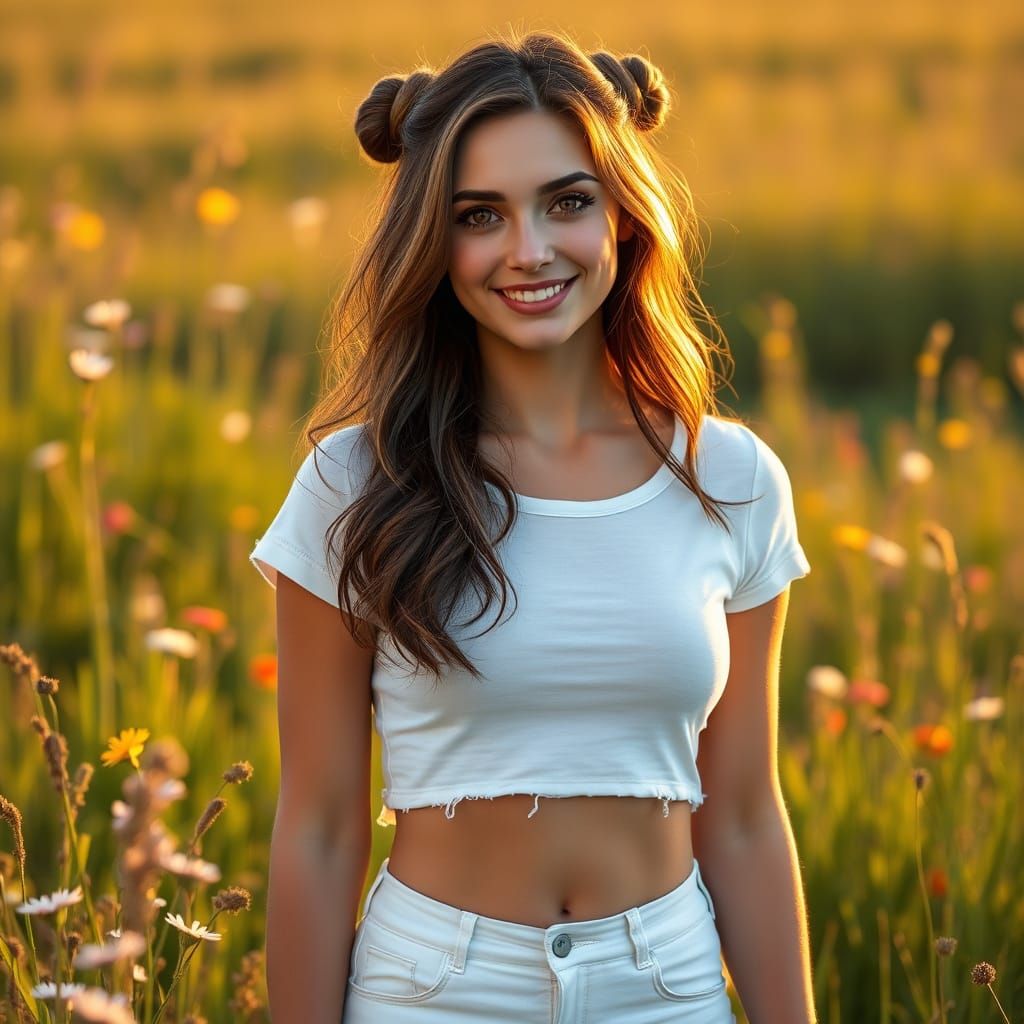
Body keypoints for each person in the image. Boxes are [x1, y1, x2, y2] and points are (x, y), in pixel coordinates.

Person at [250, 28, 816, 1024]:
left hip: (668, 985)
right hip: (434, 989)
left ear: (623, 220)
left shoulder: (729, 479)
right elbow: (320, 828)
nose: (529, 250)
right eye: (481, 215)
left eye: (568, 202)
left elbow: (744, 816)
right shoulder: (354, 483)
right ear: (436, 242)